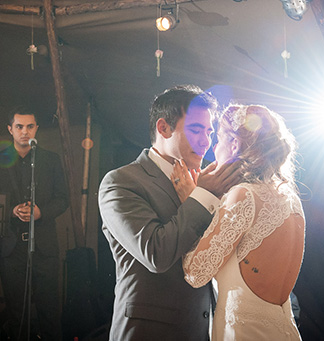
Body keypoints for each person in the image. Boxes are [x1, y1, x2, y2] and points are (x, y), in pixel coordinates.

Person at [98, 85, 242, 340]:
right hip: (150, 331)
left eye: (209, 132)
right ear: (163, 128)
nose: (205, 141)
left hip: (202, 328)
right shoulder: (121, 182)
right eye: (196, 129)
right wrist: (202, 196)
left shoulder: (207, 178)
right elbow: (156, 253)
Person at [175, 104, 305, 340]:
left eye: (219, 139)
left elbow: (195, 272)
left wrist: (195, 199)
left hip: (245, 333)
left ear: (234, 145)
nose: (214, 147)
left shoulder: (244, 195)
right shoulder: (291, 199)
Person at [0, 105, 69, 341]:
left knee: (49, 309)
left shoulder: (50, 160)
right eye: (19, 126)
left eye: (30, 126)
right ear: (10, 129)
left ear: (36, 129)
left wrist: (41, 212)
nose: (25, 131)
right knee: (16, 312)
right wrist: (11, 210)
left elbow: (63, 199)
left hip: (44, 245)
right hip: (11, 247)